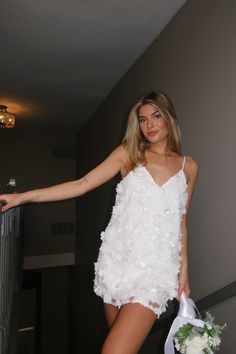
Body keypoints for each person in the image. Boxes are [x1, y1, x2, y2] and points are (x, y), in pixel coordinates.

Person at [0, 91, 199, 354]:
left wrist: (184, 272)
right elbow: (81, 184)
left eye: (156, 116)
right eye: (142, 120)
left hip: (155, 271)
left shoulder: (189, 167)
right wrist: (24, 197)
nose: (149, 125)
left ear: (169, 117)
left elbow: (180, 222)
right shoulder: (128, 153)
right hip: (117, 263)